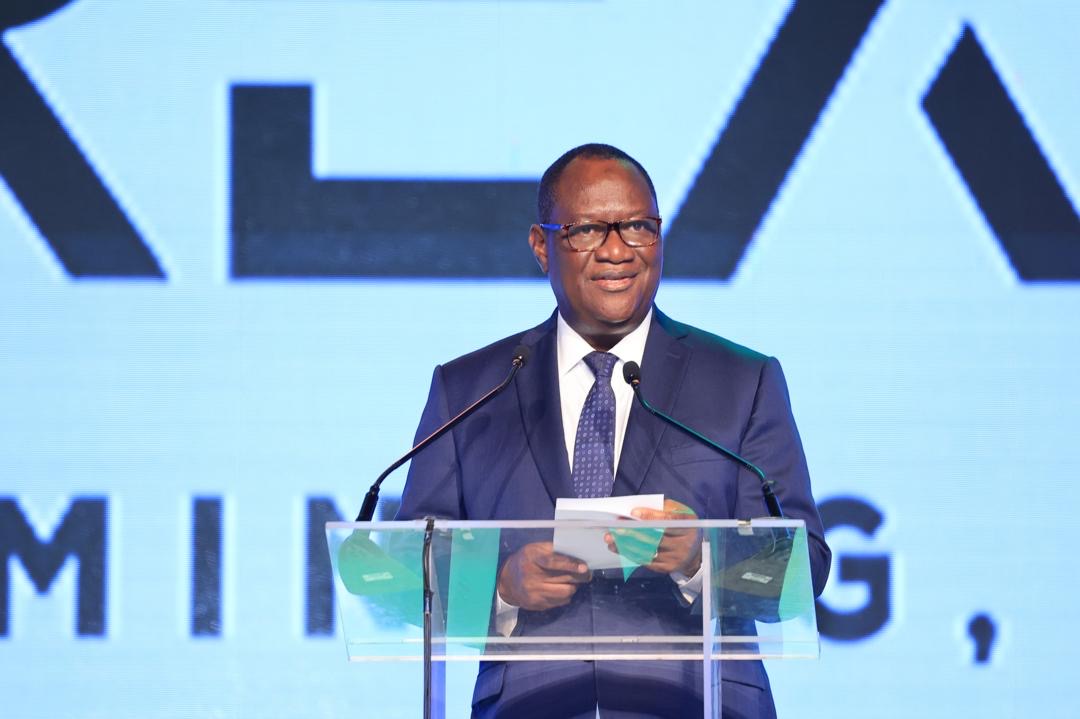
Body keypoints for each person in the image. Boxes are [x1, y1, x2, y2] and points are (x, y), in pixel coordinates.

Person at [397, 143, 831, 718]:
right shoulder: (473, 389)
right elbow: (408, 570)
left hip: (697, 703)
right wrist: (501, 585)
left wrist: (700, 555)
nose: (617, 250)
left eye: (638, 227)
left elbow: (804, 567)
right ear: (541, 246)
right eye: (587, 231)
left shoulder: (741, 381)